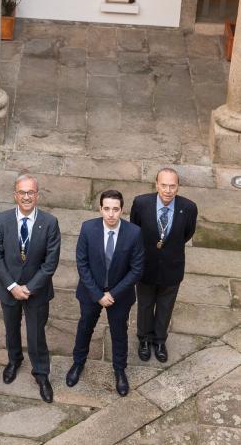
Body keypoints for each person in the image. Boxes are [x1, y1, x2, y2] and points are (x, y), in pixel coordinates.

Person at [0, 174, 60, 403]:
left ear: (37, 195)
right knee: (11, 329)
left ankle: (41, 373)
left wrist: (28, 288)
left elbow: (50, 262)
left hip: (36, 290)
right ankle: (14, 360)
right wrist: (12, 286)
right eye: (22, 192)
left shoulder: (50, 222)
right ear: (15, 195)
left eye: (30, 192)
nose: (26, 197)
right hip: (8, 288)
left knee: (36, 334)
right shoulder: (1, 220)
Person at [67, 190, 144, 396]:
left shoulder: (134, 233)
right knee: (85, 328)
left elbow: (137, 269)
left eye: (115, 209)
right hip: (90, 292)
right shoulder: (88, 228)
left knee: (119, 333)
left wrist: (113, 294)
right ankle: (78, 363)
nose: (111, 214)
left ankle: (120, 370)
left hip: (120, 295)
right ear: (100, 209)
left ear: (122, 210)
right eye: (107, 209)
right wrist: (98, 294)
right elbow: (82, 264)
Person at [130, 168, 198, 363]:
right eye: (164, 185)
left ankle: (159, 340)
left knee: (166, 306)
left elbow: (187, 233)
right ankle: (144, 339)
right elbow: (135, 230)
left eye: (172, 186)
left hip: (172, 267)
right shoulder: (141, 203)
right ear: (156, 185)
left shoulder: (189, 207)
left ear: (178, 187)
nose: (168, 190)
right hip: (146, 266)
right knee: (145, 304)